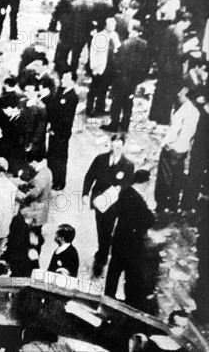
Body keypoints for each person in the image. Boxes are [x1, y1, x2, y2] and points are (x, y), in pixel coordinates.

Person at [83, 134, 134, 277]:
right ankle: (103, 250)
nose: (115, 150)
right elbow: (90, 176)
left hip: (114, 204)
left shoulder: (128, 165)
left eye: (118, 147)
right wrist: (85, 193)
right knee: (101, 228)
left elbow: (128, 182)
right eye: (113, 146)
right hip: (99, 200)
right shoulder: (100, 159)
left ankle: (102, 257)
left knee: (108, 229)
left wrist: (119, 188)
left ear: (123, 147)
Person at [104, 170, 155, 310]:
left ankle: (108, 298)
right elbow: (150, 220)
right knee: (131, 274)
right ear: (145, 183)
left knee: (114, 271)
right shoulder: (138, 199)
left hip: (119, 239)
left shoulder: (124, 192)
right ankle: (129, 305)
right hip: (132, 245)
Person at [155, 87, 200, 213]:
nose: (178, 94)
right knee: (177, 177)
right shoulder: (195, 112)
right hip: (183, 148)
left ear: (187, 96)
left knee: (164, 178)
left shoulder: (182, 111)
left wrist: (165, 143)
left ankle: (161, 204)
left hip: (172, 148)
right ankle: (173, 204)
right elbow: (192, 132)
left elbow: (174, 131)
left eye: (181, 93)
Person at [102, 20, 150, 132]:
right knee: (128, 102)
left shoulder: (126, 44)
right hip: (134, 80)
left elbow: (117, 62)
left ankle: (114, 124)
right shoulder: (144, 44)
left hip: (121, 78)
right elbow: (146, 64)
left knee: (117, 101)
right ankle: (125, 125)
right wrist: (139, 79)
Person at [47, 72, 79, 190]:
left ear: (72, 81)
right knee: (51, 156)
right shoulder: (60, 92)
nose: (62, 80)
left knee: (60, 157)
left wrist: (57, 129)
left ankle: (60, 182)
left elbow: (66, 118)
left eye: (66, 78)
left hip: (62, 133)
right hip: (53, 130)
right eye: (63, 77)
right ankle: (51, 179)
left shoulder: (72, 97)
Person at [87, 17, 120, 117]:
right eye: (111, 25)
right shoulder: (99, 36)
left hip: (109, 66)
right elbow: (93, 53)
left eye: (114, 25)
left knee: (104, 88)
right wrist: (93, 67)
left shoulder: (114, 35)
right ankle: (89, 109)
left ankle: (100, 108)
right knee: (94, 89)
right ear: (106, 25)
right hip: (98, 66)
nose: (113, 27)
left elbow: (118, 47)